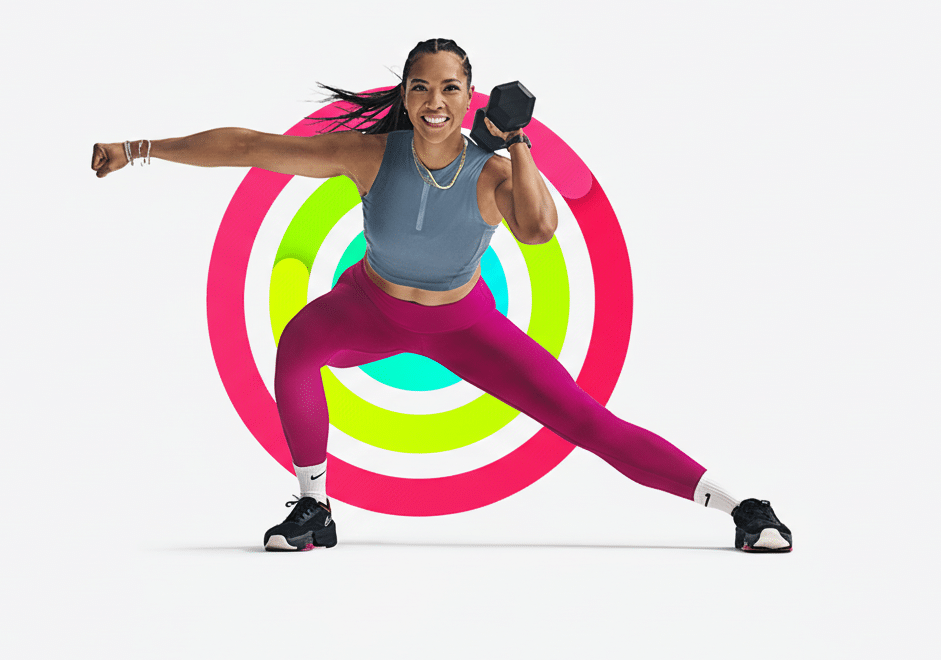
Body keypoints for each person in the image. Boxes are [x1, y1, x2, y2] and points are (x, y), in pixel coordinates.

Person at [90, 38, 792, 553]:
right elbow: (247, 145)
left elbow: (541, 230)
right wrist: (139, 146)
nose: (435, 101)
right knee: (299, 343)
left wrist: (518, 144)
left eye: (450, 88)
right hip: (370, 308)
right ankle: (315, 511)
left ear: (468, 97)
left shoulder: (491, 172)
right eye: (422, 87)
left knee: (584, 419)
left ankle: (739, 506)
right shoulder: (368, 157)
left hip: (465, 327)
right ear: (406, 95)